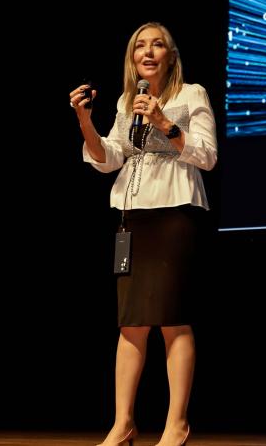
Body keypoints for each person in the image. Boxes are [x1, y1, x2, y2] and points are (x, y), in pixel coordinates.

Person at [69, 22, 217, 446]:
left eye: (156, 45)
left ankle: (176, 425)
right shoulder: (125, 101)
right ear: (132, 59)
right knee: (131, 324)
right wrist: (84, 120)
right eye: (139, 47)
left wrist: (164, 121)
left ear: (171, 55)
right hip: (130, 214)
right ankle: (123, 423)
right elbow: (108, 158)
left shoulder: (192, 94)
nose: (147, 52)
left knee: (172, 320)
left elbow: (206, 155)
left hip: (174, 212)